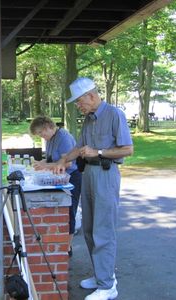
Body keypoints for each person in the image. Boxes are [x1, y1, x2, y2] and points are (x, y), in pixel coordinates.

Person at [53, 77, 133, 300]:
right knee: (88, 230)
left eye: (79, 101)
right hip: (88, 173)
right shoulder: (88, 119)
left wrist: (98, 152)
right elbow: (79, 148)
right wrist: (62, 161)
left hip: (106, 175)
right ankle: (101, 276)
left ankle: (108, 286)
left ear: (91, 95)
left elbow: (127, 149)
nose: (78, 106)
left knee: (103, 231)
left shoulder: (115, 114)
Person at [29, 116, 82, 257]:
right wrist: (41, 162)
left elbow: (67, 163)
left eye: (42, 133)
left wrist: (45, 165)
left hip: (71, 178)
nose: (42, 136)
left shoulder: (63, 138)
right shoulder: (51, 139)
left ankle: (67, 247)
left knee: (69, 211)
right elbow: (52, 158)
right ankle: (59, 243)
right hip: (59, 178)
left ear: (48, 127)